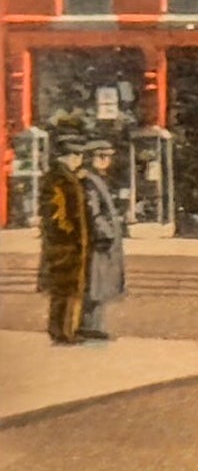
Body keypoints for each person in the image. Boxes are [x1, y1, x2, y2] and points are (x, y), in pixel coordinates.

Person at [37, 136, 91, 345]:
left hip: (66, 243)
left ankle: (61, 329)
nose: (80, 160)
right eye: (78, 156)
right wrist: (69, 235)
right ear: (71, 156)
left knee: (64, 290)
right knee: (66, 289)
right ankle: (64, 331)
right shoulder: (62, 179)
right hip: (66, 244)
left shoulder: (63, 176)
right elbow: (57, 214)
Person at [77, 139, 126, 340]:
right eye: (102, 156)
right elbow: (93, 211)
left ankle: (94, 325)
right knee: (95, 283)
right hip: (98, 242)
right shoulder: (90, 181)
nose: (106, 161)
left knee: (98, 283)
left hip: (100, 240)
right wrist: (106, 233)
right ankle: (90, 326)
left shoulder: (95, 179)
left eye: (107, 156)